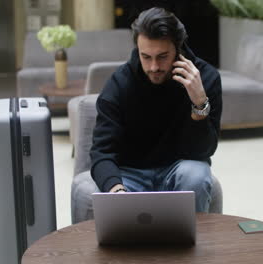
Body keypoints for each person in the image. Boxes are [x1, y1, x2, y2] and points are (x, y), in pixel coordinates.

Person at [89, 7, 222, 212]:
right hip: (130, 175)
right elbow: (101, 152)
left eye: (162, 56)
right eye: (146, 57)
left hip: (180, 168)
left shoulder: (205, 78)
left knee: (196, 174)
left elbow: (203, 151)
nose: (153, 67)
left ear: (178, 49)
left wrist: (198, 103)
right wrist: (116, 190)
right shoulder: (118, 85)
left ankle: (190, 243)